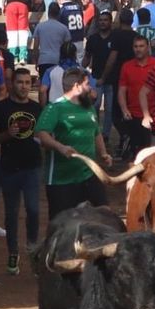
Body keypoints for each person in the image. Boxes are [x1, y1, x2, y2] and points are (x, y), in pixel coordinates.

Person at [35, 68, 112, 220]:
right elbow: (41, 134)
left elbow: (96, 132)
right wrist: (60, 147)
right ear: (77, 86)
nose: (90, 88)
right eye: (87, 84)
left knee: (105, 213)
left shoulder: (88, 107)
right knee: (61, 223)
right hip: (61, 178)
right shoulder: (54, 108)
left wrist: (103, 153)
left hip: (89, 172)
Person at [0, 67, 43, 274]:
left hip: (32, 166)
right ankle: (13, 252)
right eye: (20, 82)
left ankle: (32, 249)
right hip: (10, 167)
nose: (24, 86)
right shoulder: (0, 108)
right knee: (11, 214)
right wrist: (6, 135)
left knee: (34, 210)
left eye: (27, 83)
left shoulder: (37, 108)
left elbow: (45, 134)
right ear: (12, 83)